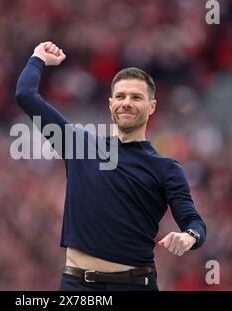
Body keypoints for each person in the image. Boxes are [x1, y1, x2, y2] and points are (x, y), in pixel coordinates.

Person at [15, 41, 207, 291]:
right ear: (110, 104)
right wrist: (38, 57)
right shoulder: (78, 143)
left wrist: (188, 237)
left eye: (136, 97)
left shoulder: (167, 169)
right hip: (77, 286)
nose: (126, 102)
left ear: (152, 107)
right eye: (120, 96)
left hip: (135, 284)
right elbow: (25, 95)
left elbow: (194, 222)